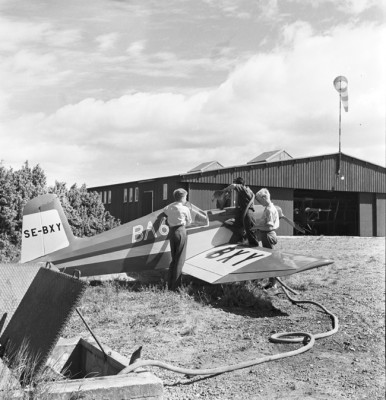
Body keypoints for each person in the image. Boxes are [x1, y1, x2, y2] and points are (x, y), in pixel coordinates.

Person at [163, 188, 192, 291]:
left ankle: (169, 284)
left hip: (171, 232)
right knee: (180, 259)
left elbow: (165, 210)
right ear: (183, 198)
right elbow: (189, 223)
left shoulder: (168, 208)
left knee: (174, 259)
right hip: (181, 232)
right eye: (185, 197)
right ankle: (176, 287)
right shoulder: (185, 209)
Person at [254, 188, 280, 289]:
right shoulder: (270, 207)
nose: (259, 203)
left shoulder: (269, 210)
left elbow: (269, 226)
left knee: (271, 259)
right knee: (270, 258)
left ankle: (274, 284)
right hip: (267, 235)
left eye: (260, 200)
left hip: (268, 235)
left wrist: (256, 227)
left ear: (264, 198)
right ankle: (272, 282)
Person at [223, 177, 259, 246]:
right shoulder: (246, 191)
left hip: (248, 214)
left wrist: (225, 190)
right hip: (244, 214)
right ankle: (243, 238)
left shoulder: (243, 189)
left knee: (252, 238)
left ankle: (254, 247)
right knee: (230, 223)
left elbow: (233, 186)